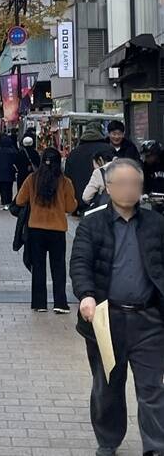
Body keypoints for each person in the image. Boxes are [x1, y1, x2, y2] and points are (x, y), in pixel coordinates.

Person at [70, 158, 164, 456]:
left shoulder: (156, 223)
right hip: (105, 320)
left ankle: (156, 447)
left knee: (152, 388)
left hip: (149, 319)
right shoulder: (93, 222)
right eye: (122, 184)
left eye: (135, 184)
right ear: (108, 188)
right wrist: (86, 295)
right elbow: (81, 263)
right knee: (108, 388)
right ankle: (108, 441)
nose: (129, 190)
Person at [15, 148, 77, 313]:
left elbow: (20, 200)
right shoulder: (65, 182)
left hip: (35, 229)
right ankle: (60, 303)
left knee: (39, 267)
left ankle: (39, 303)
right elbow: (71, 207)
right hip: (57, 230)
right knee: (58, 267)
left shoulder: (32, 179)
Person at [64, 122, 114, 211]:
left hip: (80, 204)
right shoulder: (108, 149)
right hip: (105, 204)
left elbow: (68, 179)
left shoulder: (74, 153)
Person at [0, 135, 18, 209]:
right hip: (10, 171)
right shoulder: (13, 150)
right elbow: (16, 161)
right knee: (9, 187)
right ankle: (9, 201)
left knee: (2, 188)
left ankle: (4, 201)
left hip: (0, 172)